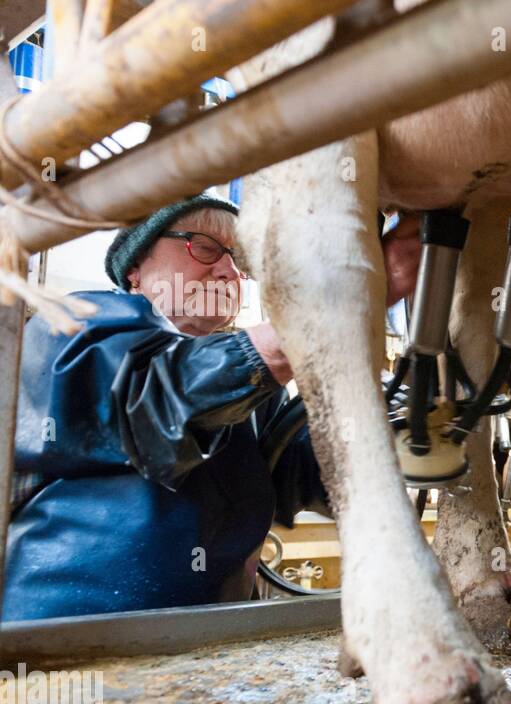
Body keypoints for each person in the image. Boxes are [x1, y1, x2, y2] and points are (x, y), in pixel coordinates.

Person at [3, 194, 326, 621]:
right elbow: (159, 398)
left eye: (239, 260)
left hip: (209, 640)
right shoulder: (75, 328)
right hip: (67, 639)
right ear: (135, 267)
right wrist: (314, 325)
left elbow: (302, 474)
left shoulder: (257, 393)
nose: (228, 271)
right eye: (206, 247)